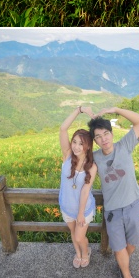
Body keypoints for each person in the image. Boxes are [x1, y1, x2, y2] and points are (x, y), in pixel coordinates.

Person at [88, 107, 139, 278]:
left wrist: (116, 110)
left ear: (111, 134)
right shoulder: (95, 157)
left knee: (132, 243)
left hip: (132, 205)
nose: (104, 138)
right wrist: (80, 111)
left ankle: (123, 264)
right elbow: (75, 150)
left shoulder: (125, 145)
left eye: (106, 133)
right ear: (95, 141)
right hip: (113, 211)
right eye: (98, 136)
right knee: (118, 248)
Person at [58, 105, 97, 269]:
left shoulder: (91, 166)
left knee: (80, 237)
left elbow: (85, 190)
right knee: (73, 235)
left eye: (81, 144)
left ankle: (86, 251)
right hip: (66, 206)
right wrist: (79, 110)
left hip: (83, 209)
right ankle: (79, 254)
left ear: (87, 146)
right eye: (74, 142)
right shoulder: (67, 155)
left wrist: (80, 213)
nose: (76, 146)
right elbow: (62, 129)